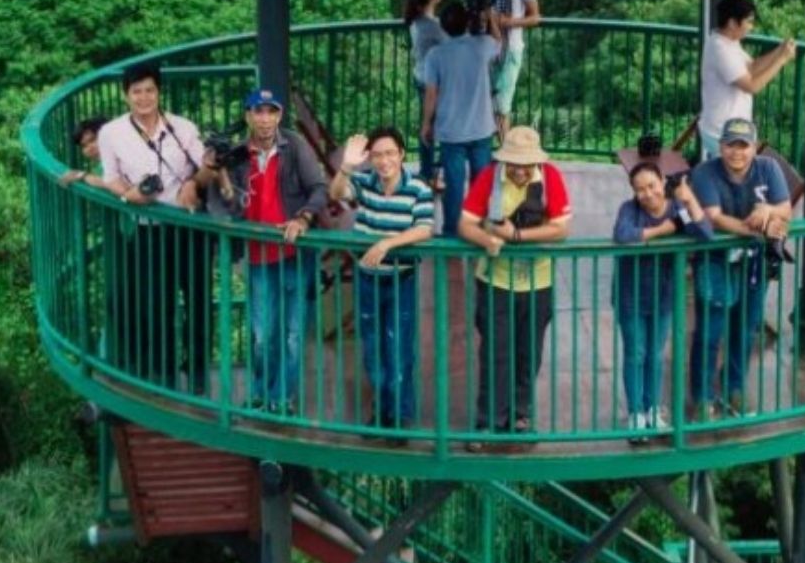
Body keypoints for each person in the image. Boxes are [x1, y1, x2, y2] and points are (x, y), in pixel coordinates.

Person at [194, 88, 332, 415]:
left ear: (279, 115)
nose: (265, 119)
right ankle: (259, 390)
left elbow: (319, 188)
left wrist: (302, 217)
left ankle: (283, 396)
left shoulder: (294, 146)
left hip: (295, 254)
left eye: (271, 111)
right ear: (248, 116)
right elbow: (230, 207)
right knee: (261, 335)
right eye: (258, 111)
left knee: (293, 334)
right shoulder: (238, 155)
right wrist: (220, 173)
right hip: (259, 256)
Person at [95, 64, 211, 392]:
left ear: (159, 92)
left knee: (199, 301)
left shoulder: (182, 127)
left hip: (189, 227)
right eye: (136, 92)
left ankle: (197, 370)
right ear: (126, 95)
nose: (144, 98)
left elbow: (208, 167)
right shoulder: (112, 133)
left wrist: (193, 182)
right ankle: (165, 373)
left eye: (150, 90)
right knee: (158, 304)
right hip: (148, 229)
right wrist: (129, 195)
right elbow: (111, 177)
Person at [458, 125, 573, 442]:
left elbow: (561, 228)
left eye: (526, 163)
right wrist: (486, 239)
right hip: (495, 282)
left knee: (528, 354)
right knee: (495, 353)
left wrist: (517, 235)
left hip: (538, 283)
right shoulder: (489, 177)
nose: (520, 170)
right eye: (514, 163)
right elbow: (465, 224)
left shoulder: (549, 177)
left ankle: (520, 414)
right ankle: (488, 420)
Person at [686, 117, 793, 418]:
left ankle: (734, 386)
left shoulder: (768, 168)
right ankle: (702, 396)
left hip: (754, 260)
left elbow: (785, 208)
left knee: (746, 328)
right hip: (715, 259)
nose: (737, 152)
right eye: (731, 145)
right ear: (720, 146)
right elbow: (714, 217)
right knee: (710, 332)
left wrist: (768, 210)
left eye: (743, 146)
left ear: (754, 147)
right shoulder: (705, 172)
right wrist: (758, 228)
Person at [333, 127, 437, 434]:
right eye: (377, 155)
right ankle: (381, 410)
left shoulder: (417, 188)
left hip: (400, 279)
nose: (384, 161)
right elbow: (336, 193)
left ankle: (400, 415)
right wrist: (347, 166)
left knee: (399, 347)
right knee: (372, 347)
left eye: (390, 153)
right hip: (368, 280)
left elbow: (425, 229)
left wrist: (386, 244)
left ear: (402, 154)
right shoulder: (366, 182)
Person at [612, 162, 713, 439]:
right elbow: (623, 235)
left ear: (662, 183)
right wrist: (663, 230)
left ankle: (652, 408)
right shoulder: (629, 209)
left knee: (655, 354)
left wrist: (689, 199)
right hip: (631, 295)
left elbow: (705, 234)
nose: (647, 194)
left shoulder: (678, 209)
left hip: (664, 295)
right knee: (636, 353)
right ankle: (636, 413)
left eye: (652, 186)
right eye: (640, 189)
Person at [419, 0, 504, 235]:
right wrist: (490, 15)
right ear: (468, 22)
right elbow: (499, 42)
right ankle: (478, 230)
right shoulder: (482, 45)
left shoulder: (435, 55)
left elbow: (431, 94)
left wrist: (426, 124)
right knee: (480, 184)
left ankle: (452, 233)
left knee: (454, 187)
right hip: (481, 128)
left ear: (443, 27)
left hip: (450, 131)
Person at [699, 0, 797, 159]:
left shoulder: (729, 42)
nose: (751, 27)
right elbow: (752, 86)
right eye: (749, 21)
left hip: (729, 130)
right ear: (732, 23)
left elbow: (751, 67)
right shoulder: (720, 48)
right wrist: (781, 60)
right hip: (721, 133)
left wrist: (779, 51)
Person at [471, 0, 540, 141]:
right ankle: (489, 149)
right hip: (483, 47)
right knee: (483, 103)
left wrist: (510, 22)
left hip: (510, 49)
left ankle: (505, 151)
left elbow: (535, 17)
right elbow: (471, 9)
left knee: (502, 105)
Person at [402, 0, 446, 188]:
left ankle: (427, 172)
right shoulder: (433, 26)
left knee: (428, 123)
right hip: (435, 83)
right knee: (438, 127)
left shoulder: (417, 22)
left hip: (421, 77)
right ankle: (433, 173)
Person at [59, 117, 107, 185]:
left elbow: (114, 184)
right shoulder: (100, 168)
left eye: (92, 140)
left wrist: (83, 176)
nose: (89, 148)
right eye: (84, 146)